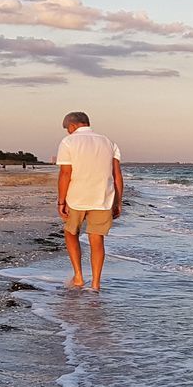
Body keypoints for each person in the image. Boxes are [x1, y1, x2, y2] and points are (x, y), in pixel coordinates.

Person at [55, 111, 124, 291]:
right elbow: (117, 175)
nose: (67, 132)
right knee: (97, 239)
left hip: (76, 196)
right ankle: (96, 284)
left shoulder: (68, 142)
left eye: (67, 129)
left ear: (72, 126)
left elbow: (65, 173)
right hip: (102, 197)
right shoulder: (109, 142)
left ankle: (78, 276)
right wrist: (118, 201)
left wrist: (61, 201)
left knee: (71, 233)